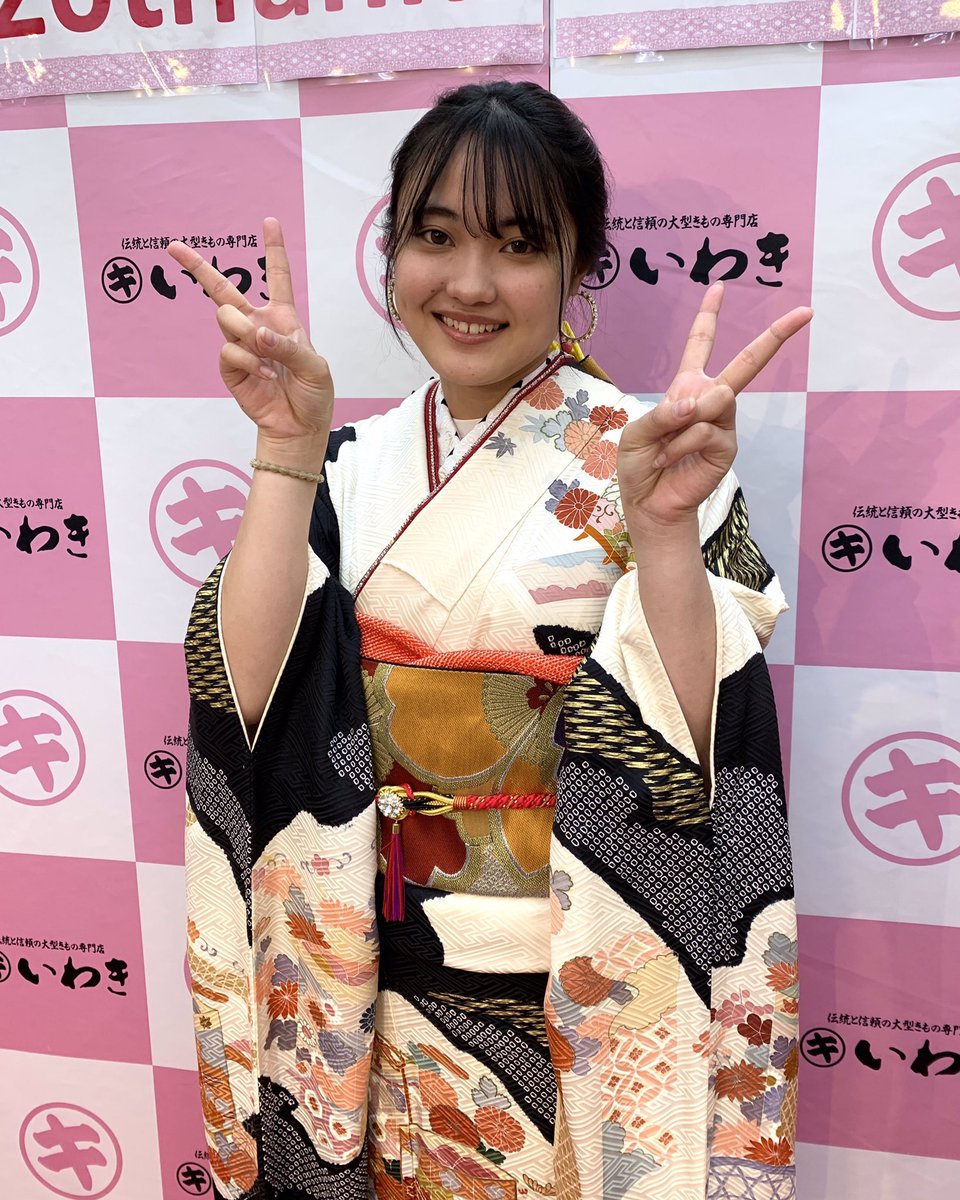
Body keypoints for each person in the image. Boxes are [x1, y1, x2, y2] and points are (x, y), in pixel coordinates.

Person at [170, 81, 805, 1200]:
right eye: (435, 237)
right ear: (393, 253)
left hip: (576, 972)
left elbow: (707, 746)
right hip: (360, 969)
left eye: (517, 245)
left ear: (578, 266)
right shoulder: (347, 458)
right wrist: (286, 450)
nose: (469, 284)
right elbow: (248, 695)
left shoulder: (656, 454)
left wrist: (664, 530)